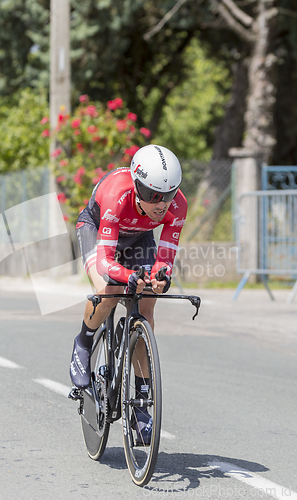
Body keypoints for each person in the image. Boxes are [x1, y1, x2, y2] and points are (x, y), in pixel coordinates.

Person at [69, 144, 187, 444]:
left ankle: (143, 401)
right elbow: (108, 262)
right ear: (137, 186)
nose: (161, 205)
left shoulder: (177, 206)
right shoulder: (116, 194)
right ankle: (82, 343)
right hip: (98, 228)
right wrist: (128, 276)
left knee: (147, 304)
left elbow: (166, 257)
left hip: (138, 237)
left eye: (168, 195)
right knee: (107, 290)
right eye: (152, 195)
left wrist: (160, 277)